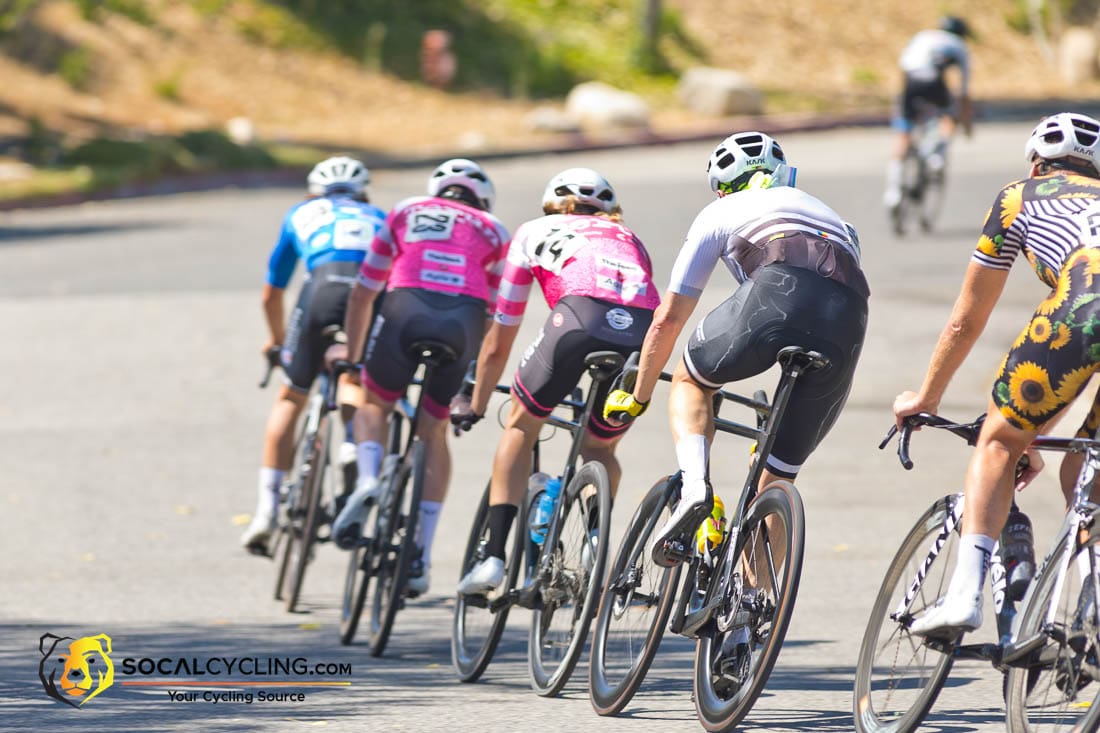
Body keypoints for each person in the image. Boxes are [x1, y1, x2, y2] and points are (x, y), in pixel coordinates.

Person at [602, 131, 869, 563]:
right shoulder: (834, 217)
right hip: (850, 319)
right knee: (777, 480)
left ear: (725, 186)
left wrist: (640, 393)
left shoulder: (721, 210)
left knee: (692, 379)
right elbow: (828, 292)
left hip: (777, 292)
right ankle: (750, 620)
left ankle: (694, 490)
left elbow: (669, 317)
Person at [895, 112, 1100, 638]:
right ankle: (1091, 608)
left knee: (998, 443)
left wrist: (927, 396)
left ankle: (963, 596)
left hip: (1086, 304)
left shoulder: (1019, 197)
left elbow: (967, 317)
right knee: (1083, 468)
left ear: (1037, 160)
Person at [450, 167, 661, 594]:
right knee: (599, 445)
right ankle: (595, 543)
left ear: (552, 204)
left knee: (521, 426)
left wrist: (475, 401)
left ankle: (492, 556)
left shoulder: (535, 230)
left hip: (577, 321)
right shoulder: (627, 237)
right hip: (643, 332)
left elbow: (501, 332)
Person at [330, 158, 510, 596]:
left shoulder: (406, 210)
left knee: (374, 401)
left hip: (405, 307)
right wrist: (469, 378)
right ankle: (422, 555)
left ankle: (370, 478)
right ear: (480, 199)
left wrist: (354, 359)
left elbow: (363, 292)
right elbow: (494, 317)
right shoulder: (495, 230)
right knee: (433, 434)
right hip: (462, 320)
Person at [242, 156, 387, 554]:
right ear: (364, 193)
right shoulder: (381, 216)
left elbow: (272, 292)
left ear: (314, 191)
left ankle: (266, 511)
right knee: (352, 377)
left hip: (320, 294)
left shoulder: (302, 214)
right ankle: (351, 446)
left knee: (292, 395)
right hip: (367, 299)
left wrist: (277, 344)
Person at [883, 15, 973, 211]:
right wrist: (966, 124)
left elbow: (904, 66)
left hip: (910, 82)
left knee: (904, 135)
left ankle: (893, 191)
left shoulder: (922, 36)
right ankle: (936, 157)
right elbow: (964, 92)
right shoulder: (959, 45)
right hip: (934, 82)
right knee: (948, 117)